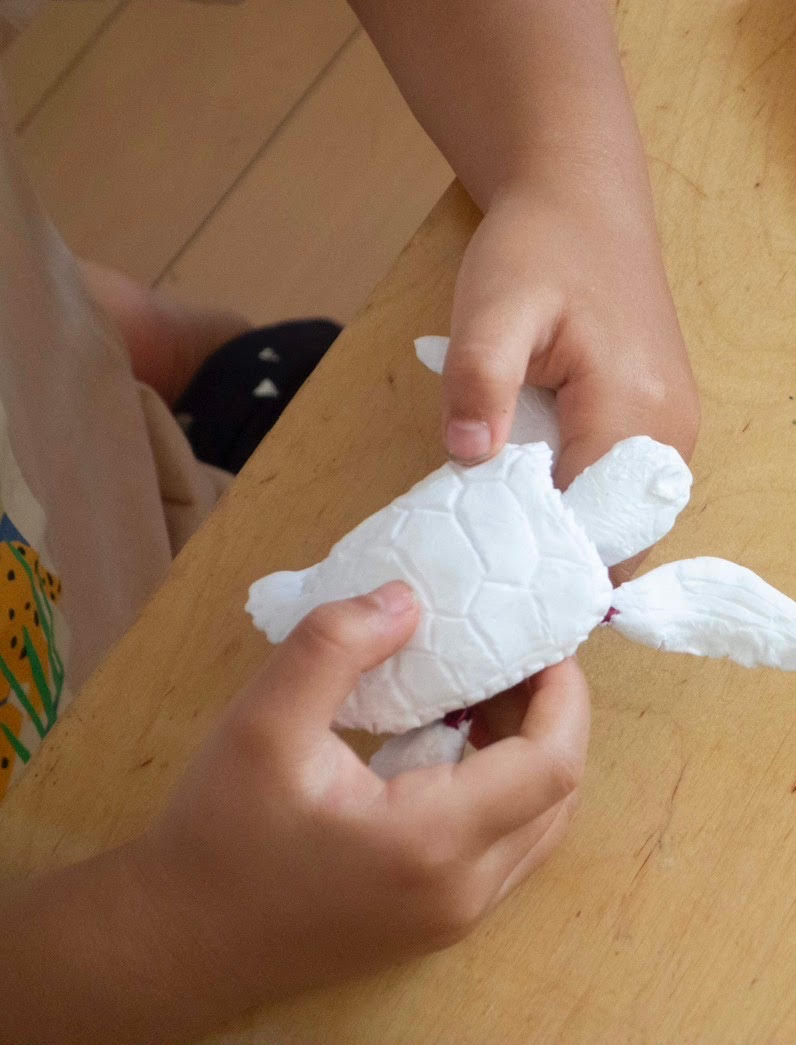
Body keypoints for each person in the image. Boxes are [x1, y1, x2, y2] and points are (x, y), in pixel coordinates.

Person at [0, 0, 699, 1038]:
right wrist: (182, 929)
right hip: (93, 904)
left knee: (265, 369)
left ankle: (169, 344)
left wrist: (569, 183)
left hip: (135, 485)